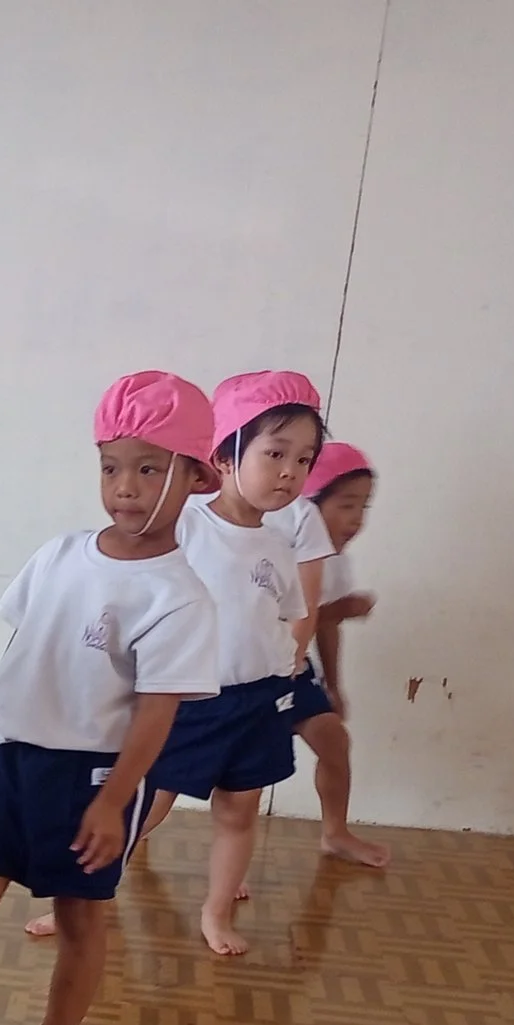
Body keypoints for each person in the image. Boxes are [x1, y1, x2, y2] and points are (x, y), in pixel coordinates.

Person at [0, 375, 220, 1025]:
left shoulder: (179, 597)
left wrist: (114, 802)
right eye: (111, 467)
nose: (125, 487)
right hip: (17, 761)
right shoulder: (60, 553)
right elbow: (23, 652)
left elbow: (157, 711)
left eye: (148, 469)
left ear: (196, 477)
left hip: (94, 776)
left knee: (79, 918)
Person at [123, 370, 324, 956]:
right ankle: (82, 893)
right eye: (275, 453)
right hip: (185, 699)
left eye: (304, 459)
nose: (290, 471)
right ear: (225, 457)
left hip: (256, 701)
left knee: (238, 811)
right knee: (143, 804)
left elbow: (291, 615)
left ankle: (216, 912)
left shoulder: (279, 546)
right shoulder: (183, 523)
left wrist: (288, 667)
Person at [291, 442, 389, 867]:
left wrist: (333, 685)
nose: (356, 519)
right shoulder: (281, 550)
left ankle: (335, 833)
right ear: (309, 505)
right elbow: (288, 621)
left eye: (363, 507)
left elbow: (325, 624)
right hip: (247, 673)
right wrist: (341, 609)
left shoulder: (335, 559)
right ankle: (135, 831)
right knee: (218, 770)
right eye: (346, 505)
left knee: (333, 739)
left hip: (293, 670)